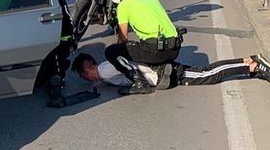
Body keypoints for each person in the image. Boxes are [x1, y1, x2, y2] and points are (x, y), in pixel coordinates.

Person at [102, 0, 182, 95]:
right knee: (139, 46)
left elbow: (123, 38)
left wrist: (116, 58)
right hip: (174, 50)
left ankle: (139, 82)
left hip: (155, 50)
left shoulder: (123, 5)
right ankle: (159, 66)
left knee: (112, 51)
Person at [71, 52, 270, 91]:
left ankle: (251, 65)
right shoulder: (106, 68)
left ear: (89, 69)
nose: (86, 79)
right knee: (206, 73)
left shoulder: (105, 70)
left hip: (163, 73)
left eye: (83, 75)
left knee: (208, 75)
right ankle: (249, 62)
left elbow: (129, 70)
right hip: (162, 70)